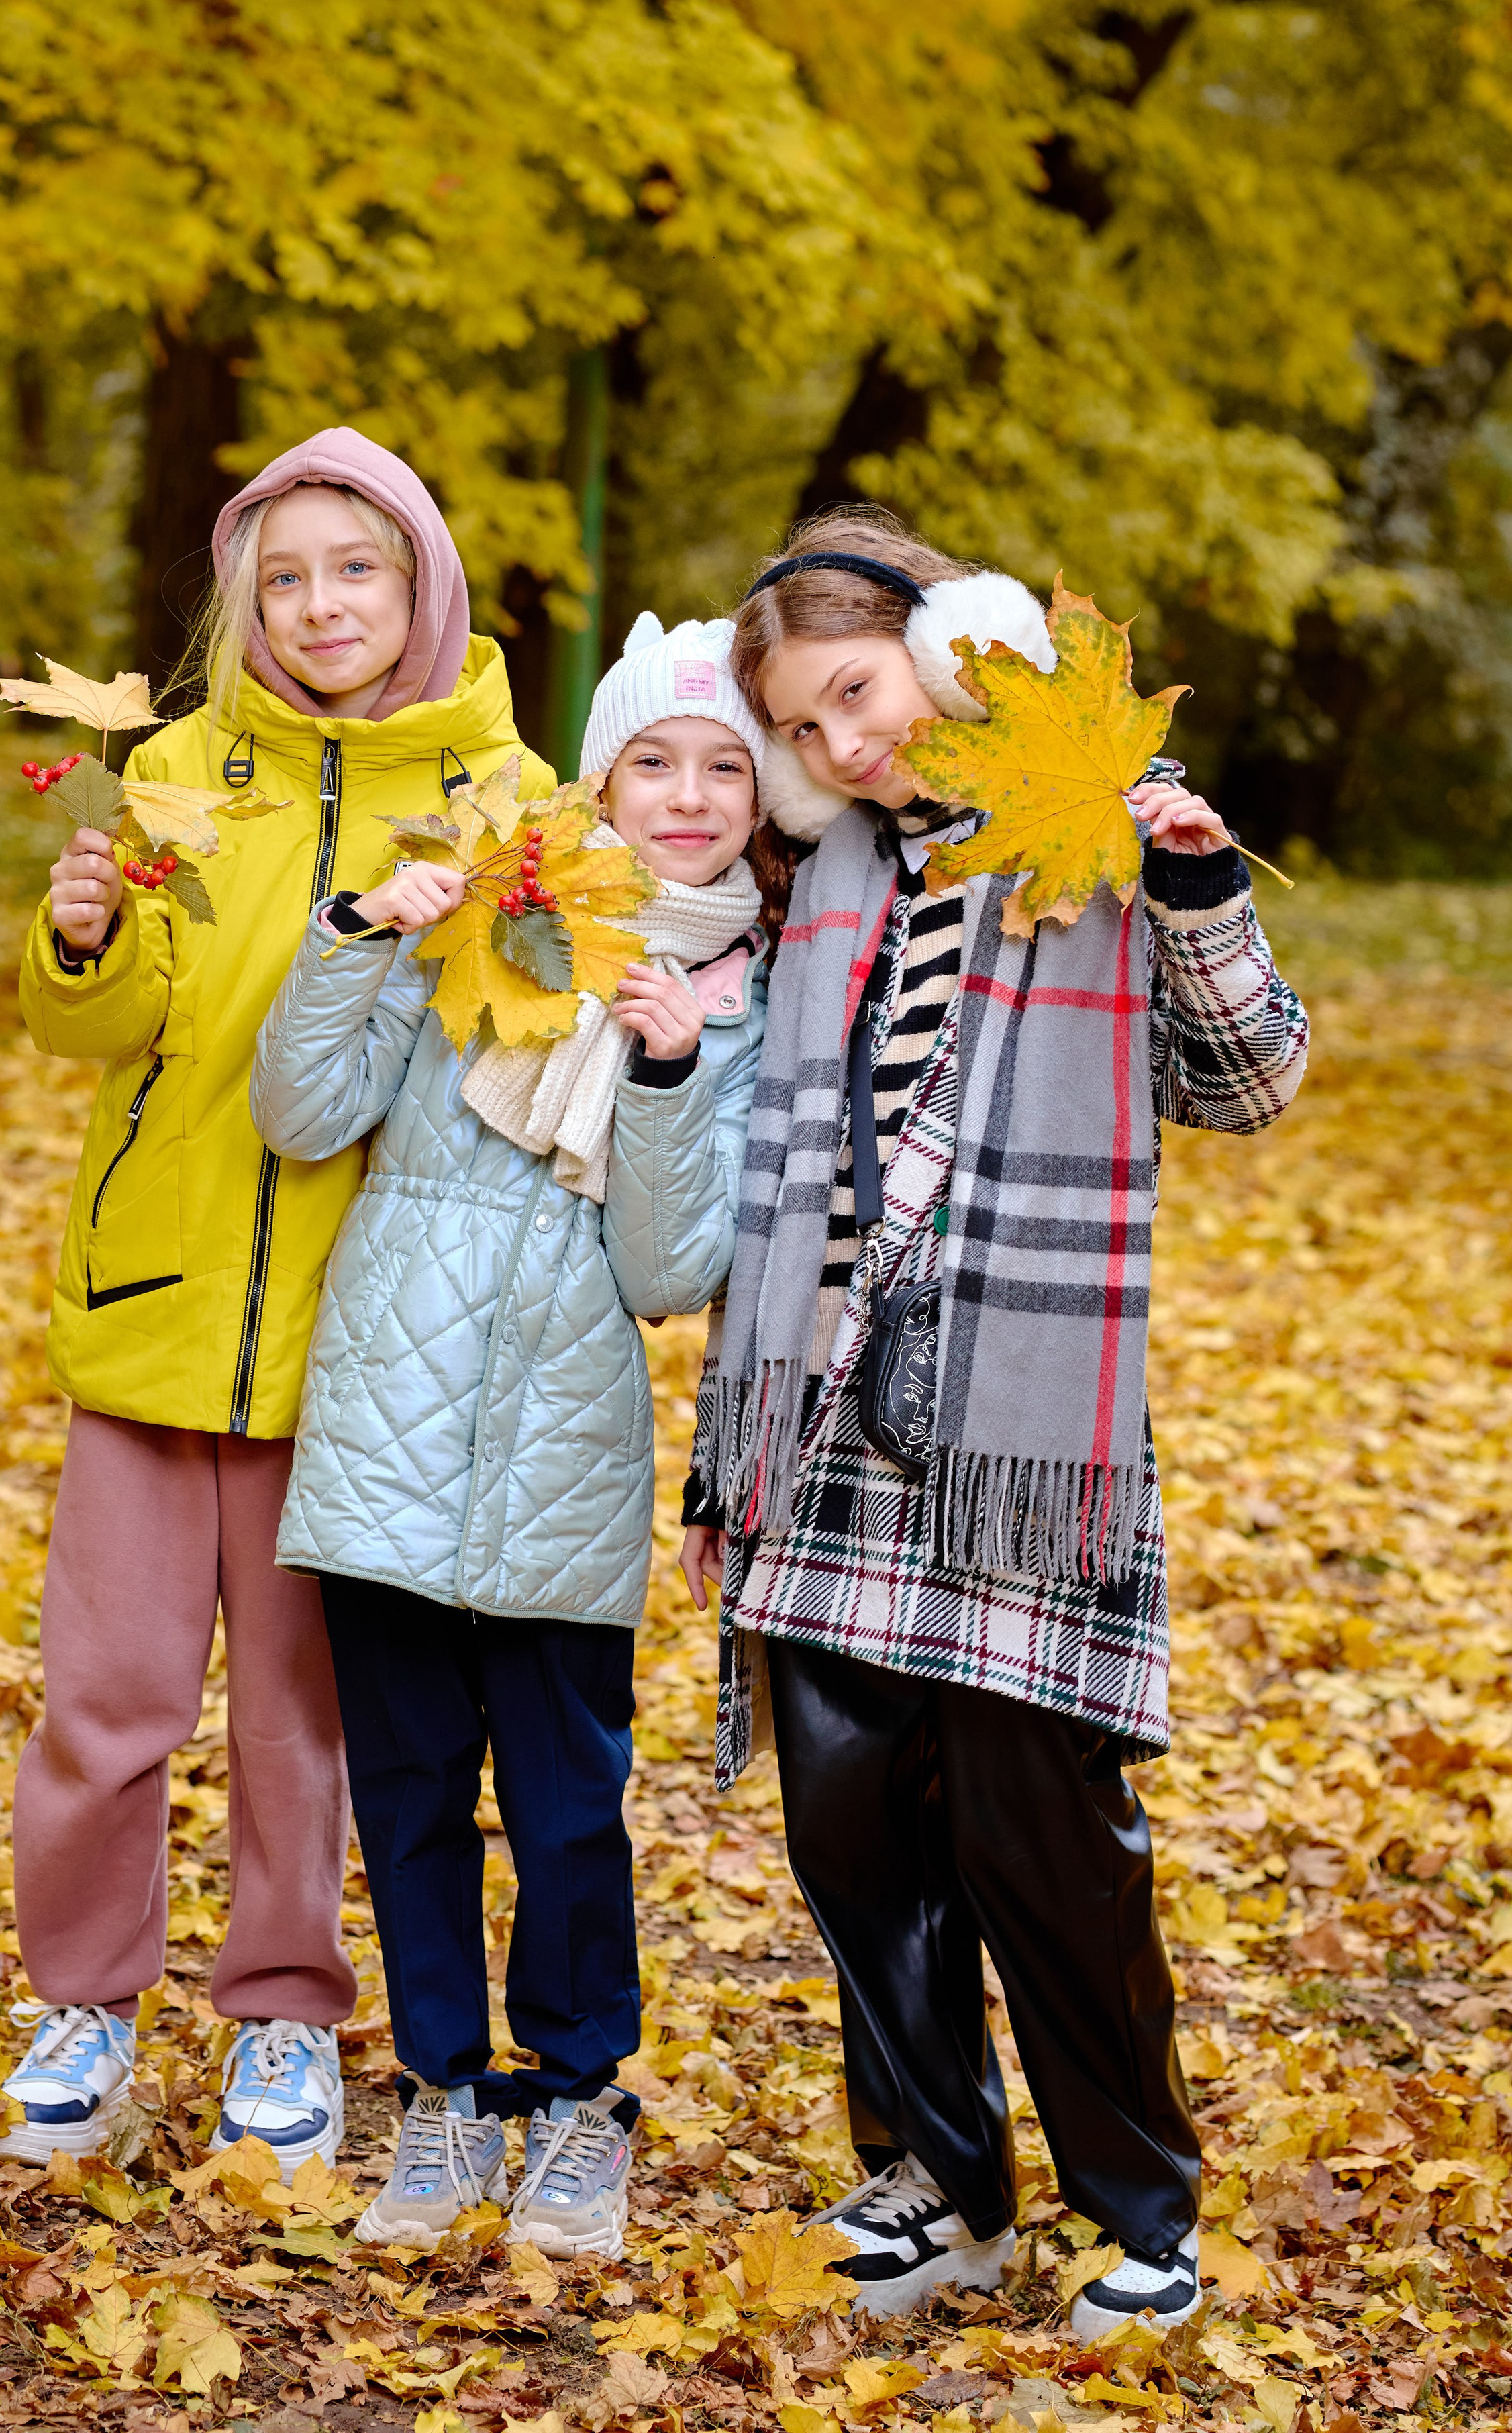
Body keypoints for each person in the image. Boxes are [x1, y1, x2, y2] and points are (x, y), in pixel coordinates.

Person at [680, 508, 1310, 2339]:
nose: (843, 747)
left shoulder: (1094, 825)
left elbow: (1251, 1079)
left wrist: (1192, 886)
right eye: (802, 730)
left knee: (1045, 1836)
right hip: (828, 1410)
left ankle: (1142, 2204)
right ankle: (941, 2179)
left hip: (1025, 1421)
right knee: (856, 1831)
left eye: (857, 694)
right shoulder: (837, 882)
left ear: (947, 645)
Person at [3, 428, 552, 2180]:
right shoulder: (177, 772)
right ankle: (85, 2003)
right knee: (107, 1697)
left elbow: (537, 1058)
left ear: (423, 584)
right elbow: (107, 1028)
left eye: (357, 568)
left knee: (301, 1718)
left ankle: (287, 2014)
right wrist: (86, 941)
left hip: (361, 1342)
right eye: (286, 575)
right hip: (157, 1317)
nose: (321, 604)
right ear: (247, 599)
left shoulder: (506, 800)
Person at [250, 613, 770, 2259]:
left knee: (562, 1809)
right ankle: (438, 2092)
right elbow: (303, 1110)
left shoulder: (741, 997)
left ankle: (578, 2102)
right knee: (405, 1792)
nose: (684, 796)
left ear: (759, 804)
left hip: (564, 1449)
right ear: (597, 774)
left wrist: (678, 1076)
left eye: (722, 769)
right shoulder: (487, 909)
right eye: (652, 762)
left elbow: (668, 1271)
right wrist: (355, 931)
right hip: (387, 1426)